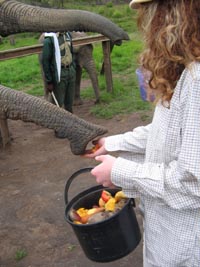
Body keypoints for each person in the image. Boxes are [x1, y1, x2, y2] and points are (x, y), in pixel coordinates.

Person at [84, 0, 200, 266]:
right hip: (166, 230)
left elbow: (194, 184)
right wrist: (111, 144)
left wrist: (121, 171)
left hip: (184, 247)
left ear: (173, 15)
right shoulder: (185, 72)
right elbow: (164, 131)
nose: (148, 28)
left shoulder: (197, 82)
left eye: (151, 14)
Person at [42, 31, 76, 113]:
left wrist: (73, 68)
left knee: (70, 102)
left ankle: (70, 122)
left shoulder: (68, 35)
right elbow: (46, 61)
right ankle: (56, 122)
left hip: (70, 71)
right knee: (57, 104)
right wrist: (49, 81)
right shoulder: (49, 39)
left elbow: (71, 52)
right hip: (59, 73)